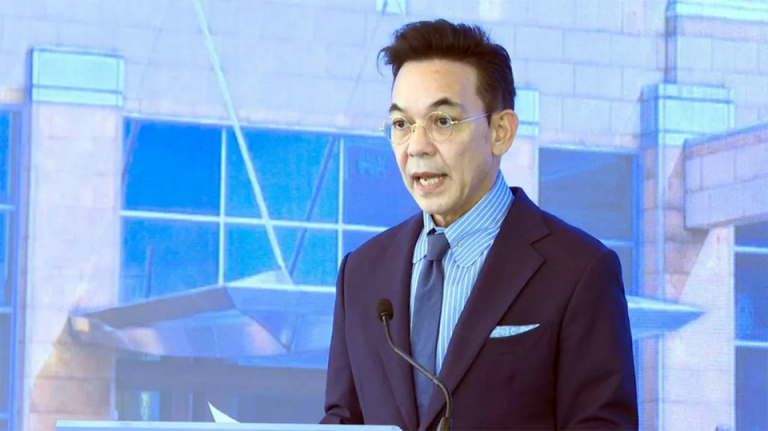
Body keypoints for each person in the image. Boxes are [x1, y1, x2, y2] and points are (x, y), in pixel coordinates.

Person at [321, 19, 638, 431]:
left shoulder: (580, 270)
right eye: (401, 125)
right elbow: (342, 419)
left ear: (500, 132)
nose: (417, 147)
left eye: (442, 121)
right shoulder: (362, 273)